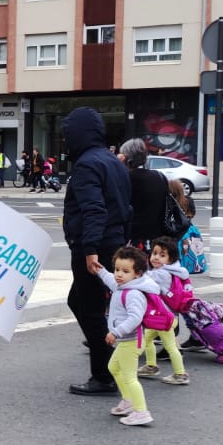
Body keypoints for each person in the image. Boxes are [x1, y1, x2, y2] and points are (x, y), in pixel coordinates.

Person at [62, 107, 133, 397]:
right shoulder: (112, 161)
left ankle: (104, 375)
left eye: (68, 133)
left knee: (88, 307)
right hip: (112, 242)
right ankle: (105, 352)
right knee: (79, 302)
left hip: (92, 246)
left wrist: (90, 250)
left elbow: (94, 209)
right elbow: (126, 206)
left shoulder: (87, 165)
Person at [95, 245, 161, 426]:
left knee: (130, 377)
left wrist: (116, 332)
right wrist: (100, 270)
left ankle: (141, 412)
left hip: (131, 341)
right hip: (127, 341)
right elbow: (110, 279)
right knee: (114, 368)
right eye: (117, 269)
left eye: (125, 271)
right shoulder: (122, 286)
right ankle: (128, 401)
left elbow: (135, 318)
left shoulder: (133, 293)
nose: (119, 274)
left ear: (138, 274)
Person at [140, 237, 191, 385]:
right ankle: (151, 366)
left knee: (170, 346)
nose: (156, 257)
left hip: (163, 317)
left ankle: (180, 374)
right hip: (166, 316)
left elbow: (144, 280)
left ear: (170, 259)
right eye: (154, 253)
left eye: (162, 255)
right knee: (148, 338)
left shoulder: (160, 273)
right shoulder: (174, 269)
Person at [121, 139, 170, 250]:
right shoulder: (159, 176)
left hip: (132, 240)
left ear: (126, 158)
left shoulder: (124, 178)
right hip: (157, 240)